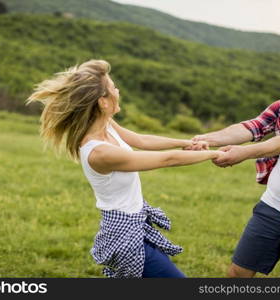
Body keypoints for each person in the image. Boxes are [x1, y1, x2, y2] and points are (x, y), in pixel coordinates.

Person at [27, 59, 223, 278]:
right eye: (113, 88)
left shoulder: (107, 126)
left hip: (137, 224)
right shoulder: (99, 152)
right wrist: (214, 153)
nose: (117, 91)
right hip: (124, 234)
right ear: (102, 102)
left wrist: (185, 143)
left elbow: (142, 139)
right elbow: (165, 160)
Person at [191, 44, 280, 278]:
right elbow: (251, 127)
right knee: (237, 274)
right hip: (270, 208)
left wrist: (243, 153)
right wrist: (206, 138)